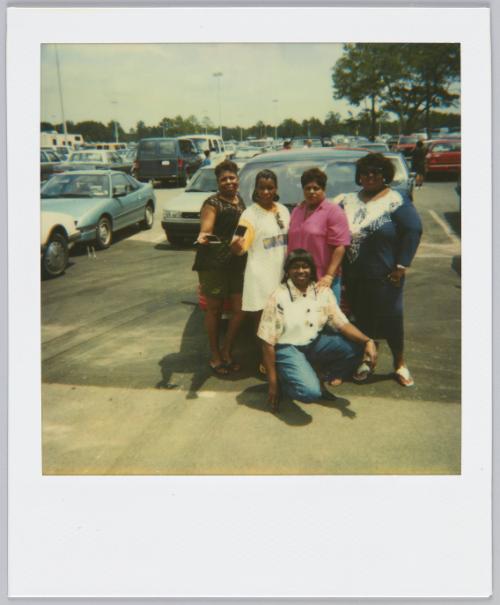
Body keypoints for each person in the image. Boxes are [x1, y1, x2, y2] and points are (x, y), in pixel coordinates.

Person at [337, 153, 422, 387]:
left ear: (385, 174)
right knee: (362, 320)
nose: (370, 176)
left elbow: (413, 231)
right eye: (365, 173)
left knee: (392, 320)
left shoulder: (396, 199)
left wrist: (401, 265)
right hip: (354, 276)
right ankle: (366, 361)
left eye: (376, 172)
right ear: (359, 176)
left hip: (386, 275)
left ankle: (400, 364)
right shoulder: (347, 200)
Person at [257, 249, 378, 412]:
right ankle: (283, 382)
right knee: (309, 393)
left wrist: (368, 341)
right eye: (295, 267)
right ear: (288, 271)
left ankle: (318, 378)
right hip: (288, 348)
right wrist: (273, 384)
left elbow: (342, 324)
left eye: (305, 266)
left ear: (312, 270)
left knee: (357, 347)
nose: (300, 271)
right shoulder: (278, 296)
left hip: (314, 344)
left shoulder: (323, 293)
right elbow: (267, 343)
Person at [230, 170, 290, 370]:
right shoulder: (249, 214)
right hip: (260, 279)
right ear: (255, 189)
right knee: (262, 325)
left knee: (281, 321)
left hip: (281, 276)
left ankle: (277, 360)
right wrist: (237, 246)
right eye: (261, 188)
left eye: (270, 188)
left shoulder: (283, 210)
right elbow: (239, 242)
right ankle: (265, 362)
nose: (266, 192)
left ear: (276, 189)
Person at [192, 160, 247, 375]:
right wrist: (203, 237)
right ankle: (215, 356)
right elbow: (206, 230)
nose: (229, 182)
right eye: (224, 179)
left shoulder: (240, 201)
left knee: (240, 309)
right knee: (214, 311)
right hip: (213, 264)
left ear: (238, 179)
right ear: (217, 182)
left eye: (232, 178)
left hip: (236, 262)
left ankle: (227, 350)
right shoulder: (212, 203)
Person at [288, 167, 350, 304]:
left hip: (323, 281)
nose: (311, 192)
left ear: (323, 189)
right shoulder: (297, 211)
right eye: (307, 188)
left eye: (316, 188)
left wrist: (329, 276)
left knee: (327, 322)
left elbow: (340, 247)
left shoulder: (334, 212)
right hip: (298, 279)